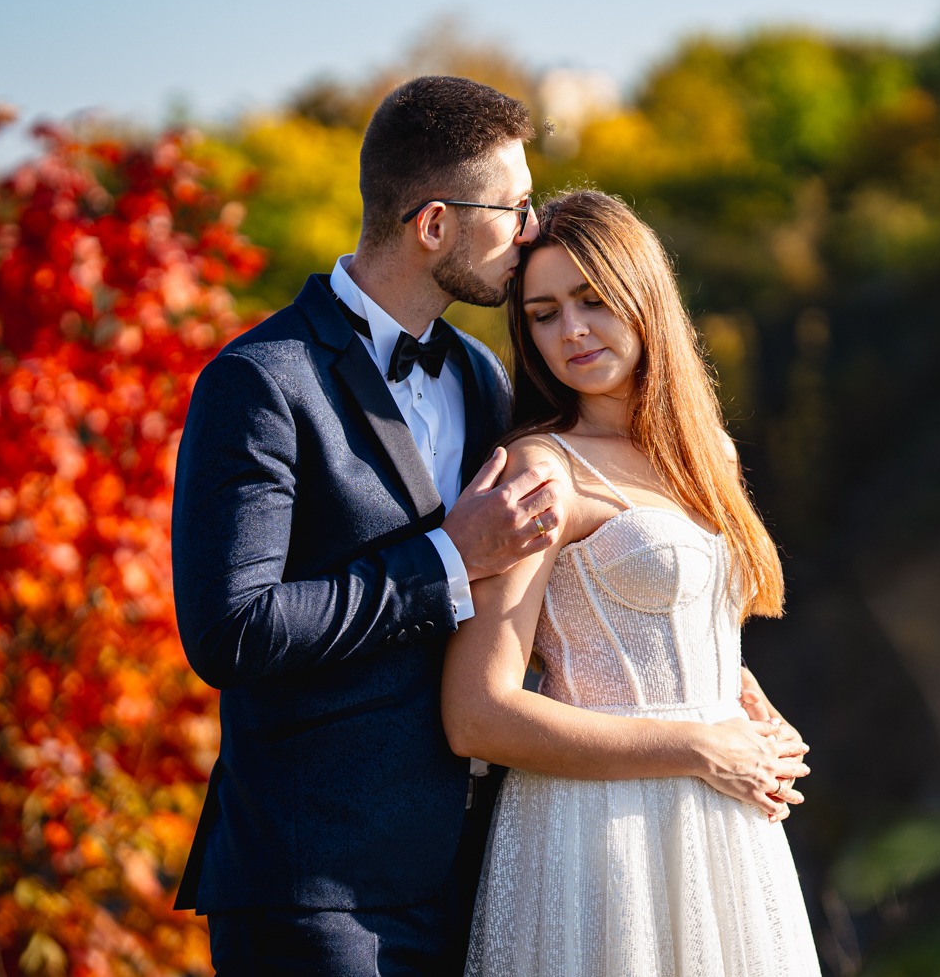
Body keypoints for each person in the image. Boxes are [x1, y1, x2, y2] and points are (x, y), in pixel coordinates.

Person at [170, 77, 809, 974]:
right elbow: (230, 630)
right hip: (320, 881)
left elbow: (563, 594)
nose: (529, 227)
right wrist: (445, 557)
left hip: (488, 865)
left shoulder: (479, 375)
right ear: (435, 224)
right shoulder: (263, 380)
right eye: (514, 207)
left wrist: (716, 684)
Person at [444, 190, 822, 976]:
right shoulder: (541, 469)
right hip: (600, 830)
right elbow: (477, 713)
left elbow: (675, 628)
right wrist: (699, 743)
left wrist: (746, 703)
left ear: (644, 293)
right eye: (544, 313)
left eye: (592, 299)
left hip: (725, 823)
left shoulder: (708, 451)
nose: (571, 331)